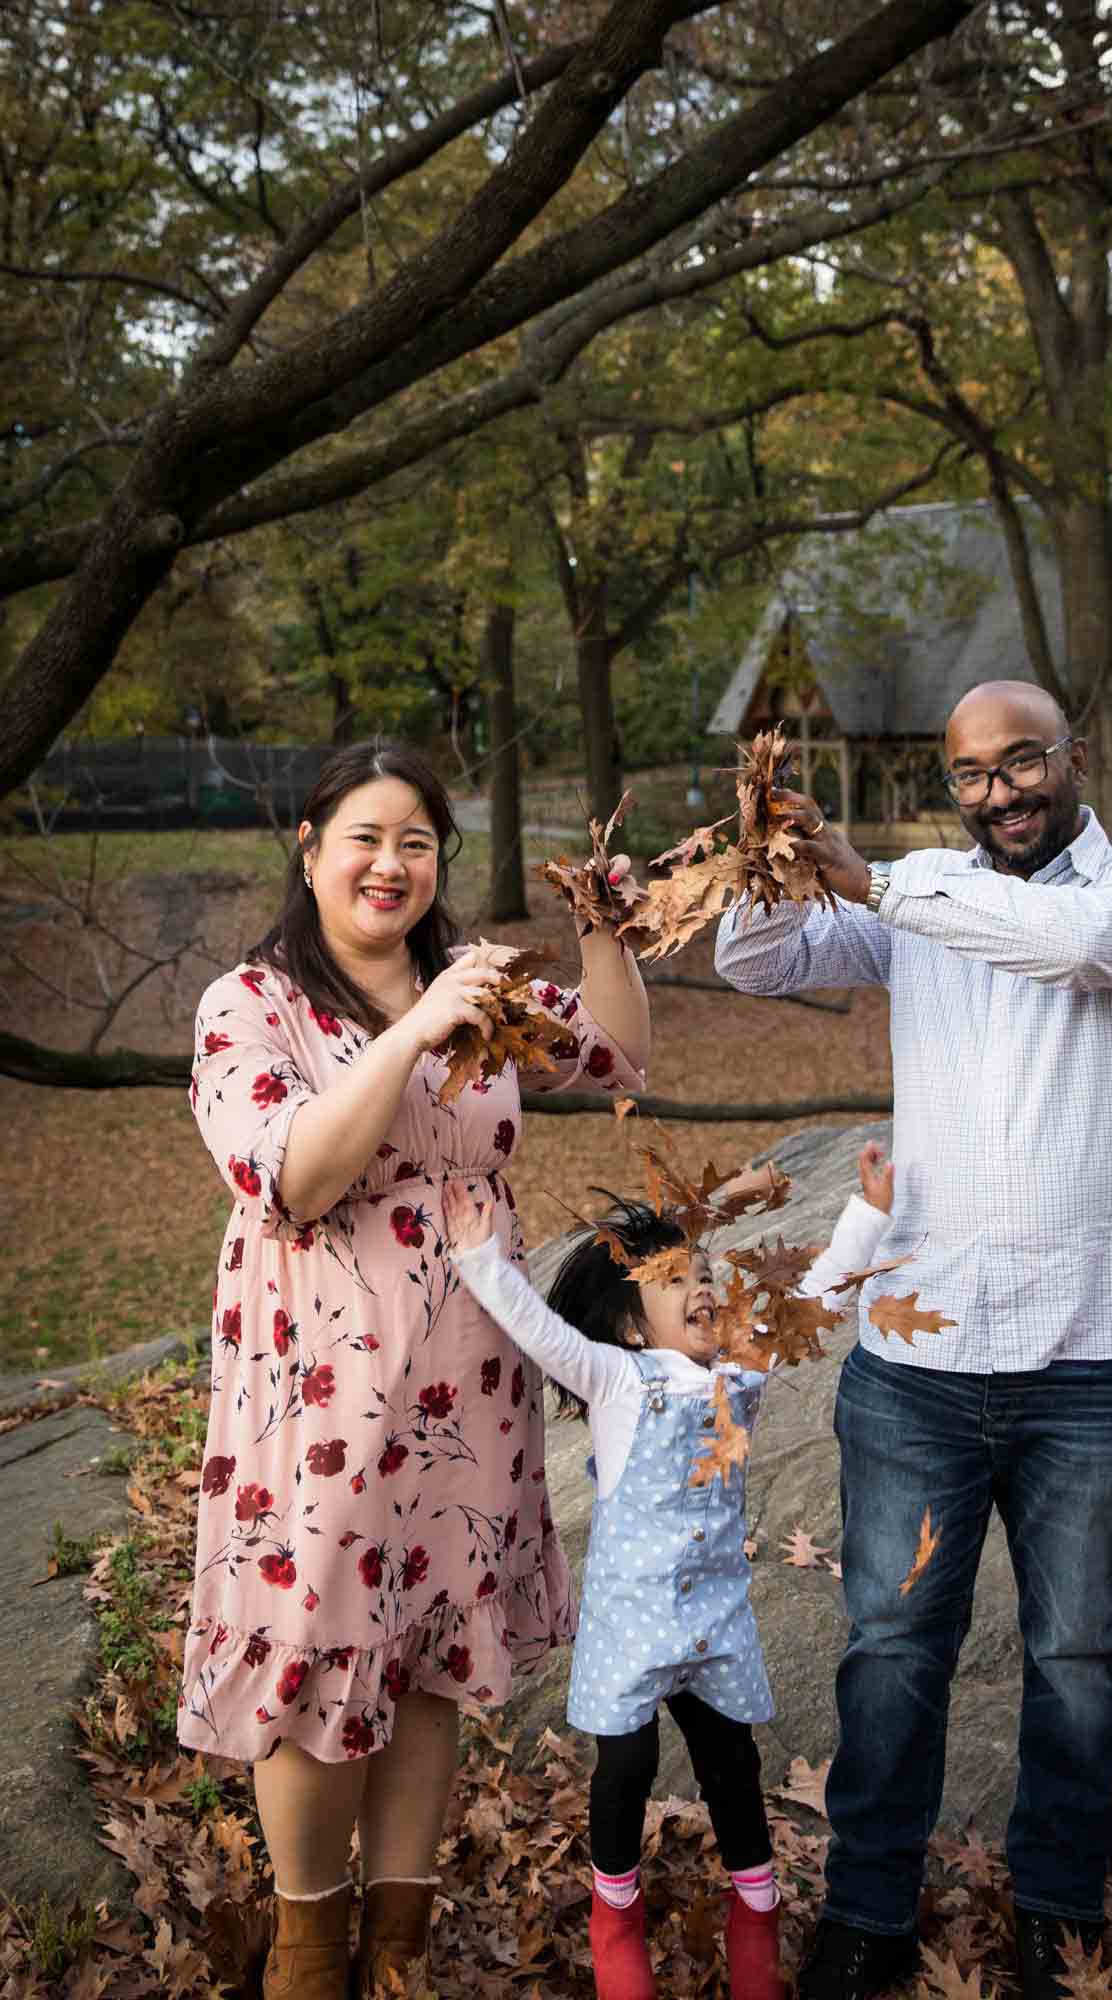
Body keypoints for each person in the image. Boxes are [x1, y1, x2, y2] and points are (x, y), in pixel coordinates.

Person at [714, 681, 1112, 2000]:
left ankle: (1058, 1908)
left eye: (1024, 763)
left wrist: (879, 881)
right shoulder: (918, 902)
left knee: (1077, 1652)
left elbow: (1069, 945)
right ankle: (872, 1910)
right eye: (973, 776)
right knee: (890, 1651)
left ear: (1076, 757)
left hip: (1092, 1365)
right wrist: (769, 857)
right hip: (919, 1371)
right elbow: (753, 962)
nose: (1001, 793)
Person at [181, 739, 649, 2000]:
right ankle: (307, 1951)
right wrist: (411, 1032)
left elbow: (612, 1055)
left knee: (431, 1649)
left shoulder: (472, 979)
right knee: (318, 1646)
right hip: (319, 1384)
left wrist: (603, 927)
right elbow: (295, 1173)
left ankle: (399, 1948)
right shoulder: (253, 1002)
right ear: (311, 845)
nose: (392, 865)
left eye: (418, 842)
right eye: (365, 838)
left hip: (466, 1378)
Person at [441, 1142, 898, 2000]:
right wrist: (478, 1258)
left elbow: (807, 1297)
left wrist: (867, 1213)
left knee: (731, 1763)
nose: (702, 1290)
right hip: (631, 1620)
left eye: (704, 1277)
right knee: (626, 1768)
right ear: (629, 1324)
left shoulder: (739, 1367)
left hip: (718, 1617)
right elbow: (538, 1330)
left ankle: (753, 1913)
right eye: (674, 1283)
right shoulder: (616, 1379)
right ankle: (615, 1914)